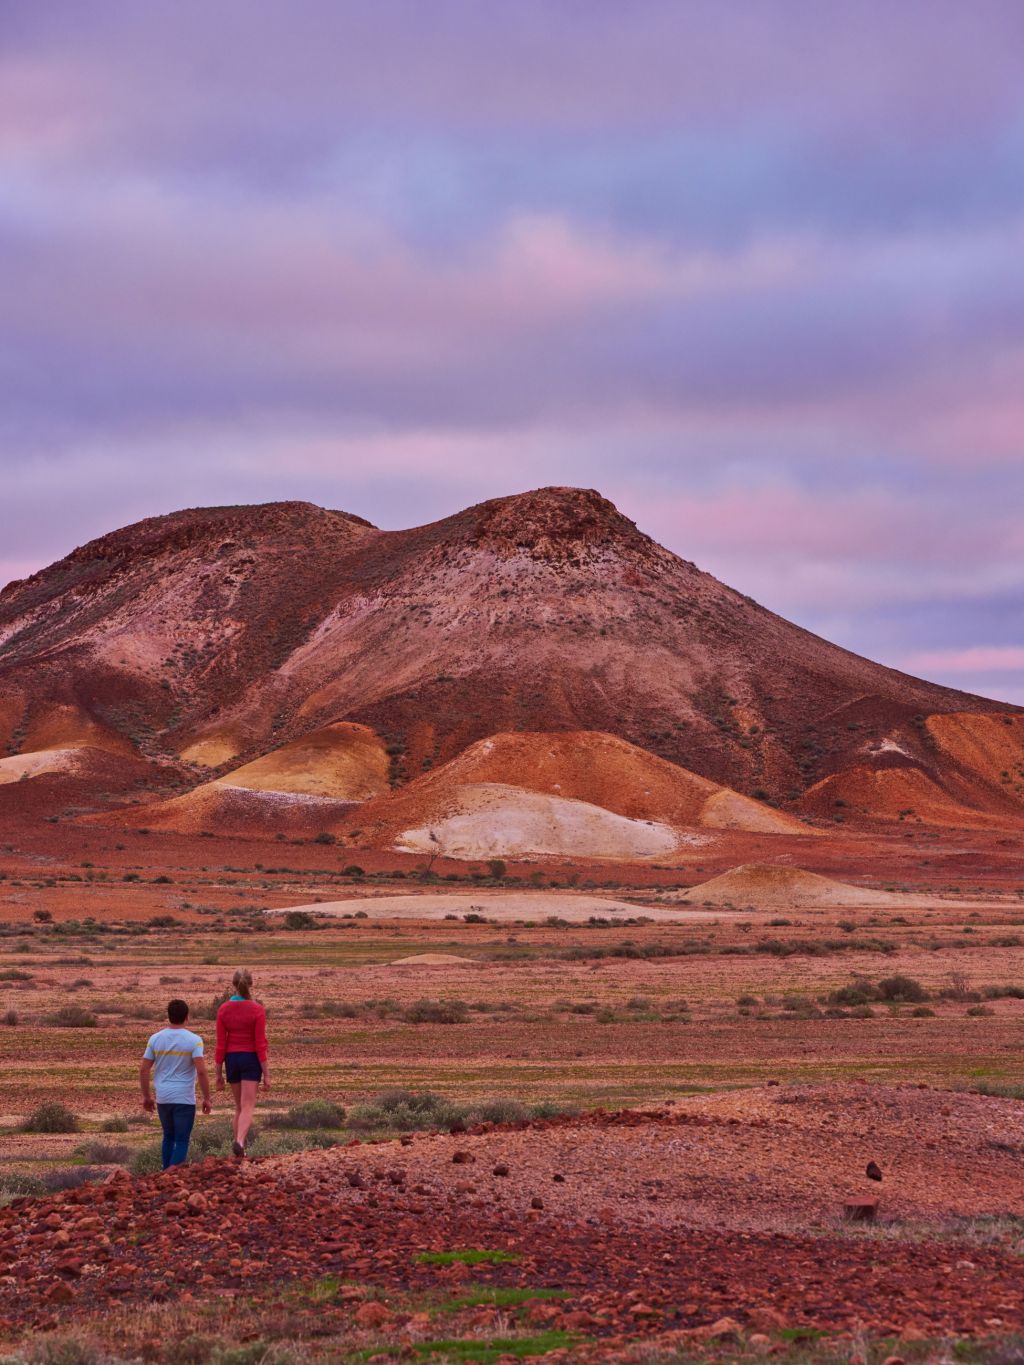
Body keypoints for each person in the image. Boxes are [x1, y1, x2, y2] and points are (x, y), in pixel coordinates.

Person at [140, 999, 212, 1169]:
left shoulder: (155, 1039)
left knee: (168, 1137)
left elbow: (144, 1070)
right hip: (184, 1098)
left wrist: (147, 1097)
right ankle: (170, 1175)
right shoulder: (194, 1040)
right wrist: (207, 1098)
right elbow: (201, 1071)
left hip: (163, 1097)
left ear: (168, 1016)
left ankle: (165, 1173)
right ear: (187, 1017)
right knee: (181, 1140)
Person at [215, 968, 269, 1158]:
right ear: (251, 984)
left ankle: (239, 1150)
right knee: (248, 1106)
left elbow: (220, 1045)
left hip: (232, 1059)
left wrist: (218, 1074)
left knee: (238, 1106)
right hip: (250, 1058)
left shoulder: (223, 1009)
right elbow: (260, 1044)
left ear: (233, 985)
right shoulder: (257, 1010)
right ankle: (239, 1141)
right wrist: (266, 1074)